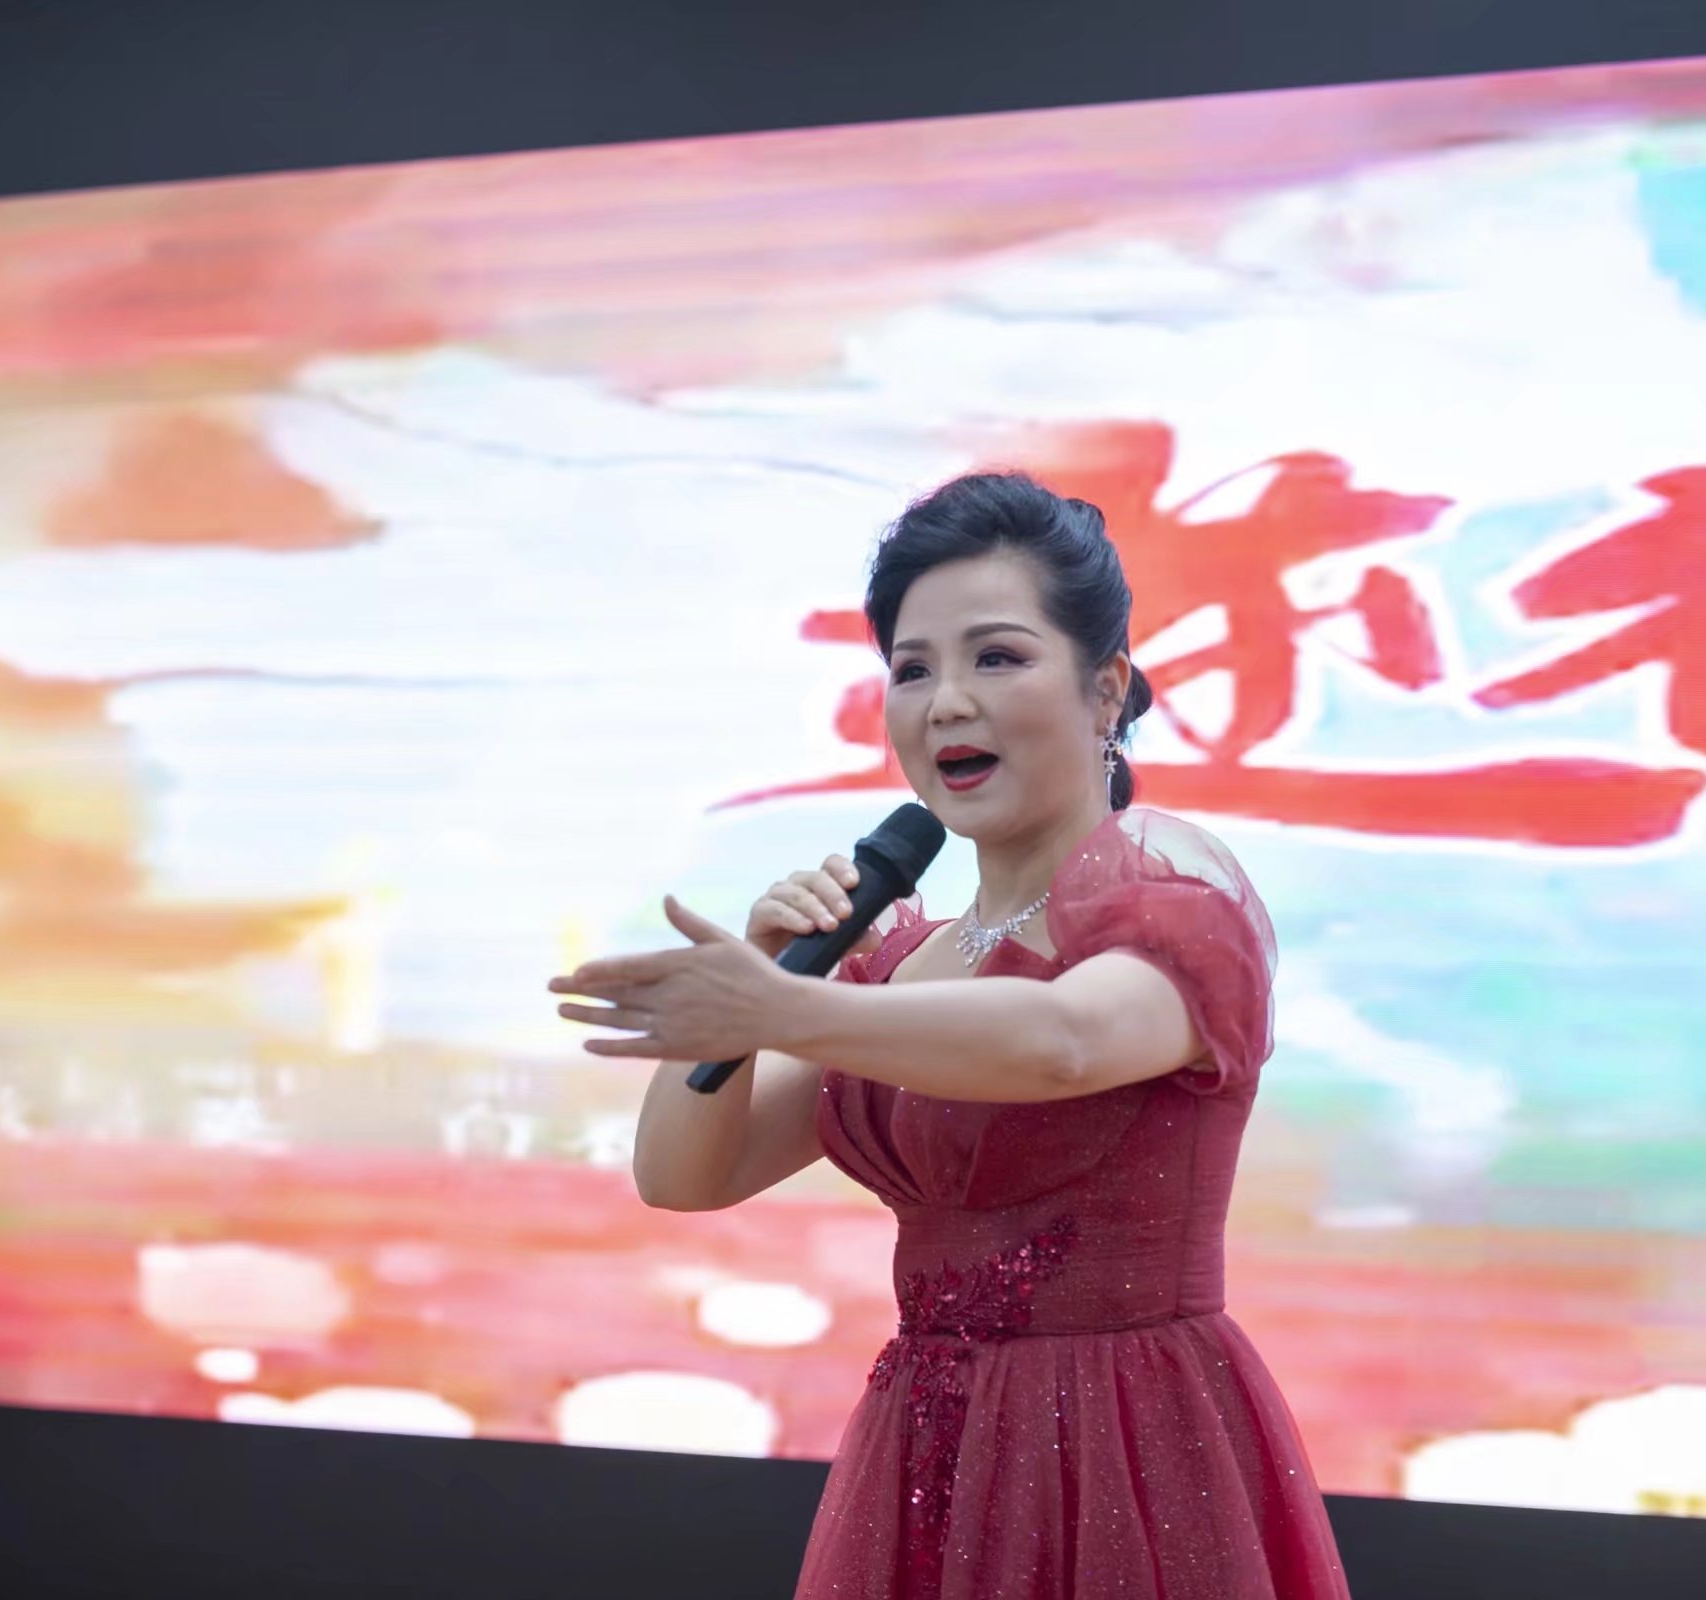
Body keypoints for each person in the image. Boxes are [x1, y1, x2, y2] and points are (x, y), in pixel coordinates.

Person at [550, 472, 1352, 1599]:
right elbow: (686, 1175)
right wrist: (768, 972)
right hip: (928, 1448)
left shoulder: (1173, 888)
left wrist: (783, 1008)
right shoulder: (898, 961)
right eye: (913, 669)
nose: (946, 704)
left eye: (997, 657)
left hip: (1129, 1451)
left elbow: (1064, 1042)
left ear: (1105, 688)